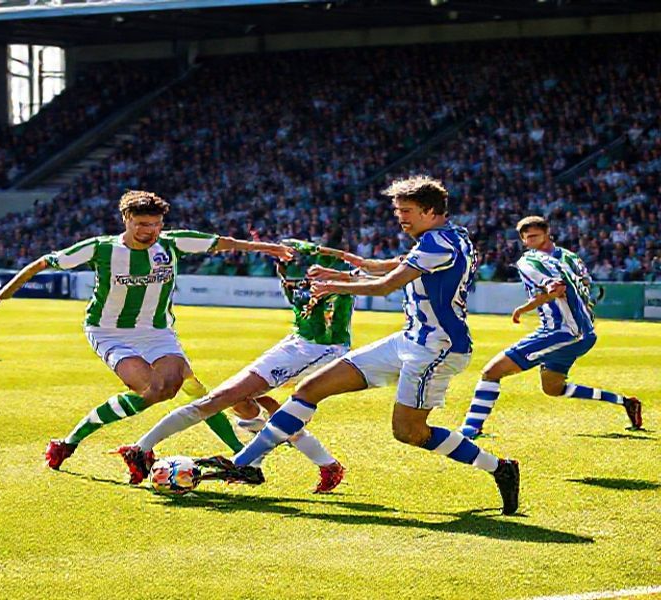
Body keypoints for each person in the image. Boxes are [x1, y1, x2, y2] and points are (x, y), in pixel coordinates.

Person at [197, 176, 521, 515]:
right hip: (409, 339)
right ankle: (246, 463)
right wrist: (347, 272)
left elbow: (386, 287)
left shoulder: (437, 244)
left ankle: (499, 467)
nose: (401, 219)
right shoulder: (446, 236)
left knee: (410, 432)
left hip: (436, 349)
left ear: (429, 211)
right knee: (310, 388)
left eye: (406, 211)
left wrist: (337, 286)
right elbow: (388, 267)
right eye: (398, 212)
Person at [0, 190, 293, 470]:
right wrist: (0, 295)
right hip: (109, 331)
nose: (150, 231)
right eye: (142, 224)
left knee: (183, 388)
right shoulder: (100, 249)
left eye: (155, 224)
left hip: (157, 332)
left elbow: (226, 244)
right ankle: (68, 443)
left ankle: (239, 455)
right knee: (153, 391)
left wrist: (271, 249)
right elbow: (42, 263)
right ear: (126, 219)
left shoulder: (171, 244)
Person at [113, 238, 354, 493]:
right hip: (295, 343)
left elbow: (362, 272)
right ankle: (322, 464)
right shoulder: (295, 276)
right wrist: (284, 267)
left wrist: (312, 251)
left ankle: (140, 449)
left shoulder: (340, 272)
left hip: (322, 349)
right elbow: (297, 295)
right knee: (245, 404)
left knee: (220, 399)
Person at [457, 216, 642, 439]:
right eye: (527, 238)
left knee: (492, 372)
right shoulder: (570, 258)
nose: (530, 241)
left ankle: (470, 429)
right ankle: (626, 402)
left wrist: (525, 308)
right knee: (553, 388)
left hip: (561, 332)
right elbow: (587, 288)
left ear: (547, 234)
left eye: (534, 236)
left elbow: (557, 289)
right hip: (582, 333)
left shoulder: (530, 261)